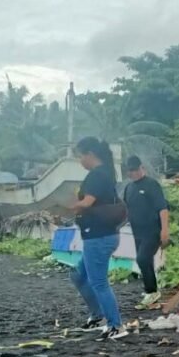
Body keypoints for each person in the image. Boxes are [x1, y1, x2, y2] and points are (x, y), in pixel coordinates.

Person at [66, 137, 128, 341]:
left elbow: (87, 202)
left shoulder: (97, 175)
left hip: (99, 236)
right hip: (100, 235)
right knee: (77, 275)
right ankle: (98, 316)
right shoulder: (106, 173)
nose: (80, 161)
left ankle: (115, 325)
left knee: (99, 282)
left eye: (80, 156)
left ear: (90, 154)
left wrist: (71, 205)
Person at [123, 155, 170, 307]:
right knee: (145, 261)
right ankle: (151, 291)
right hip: (137, 232)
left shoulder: (152, 185)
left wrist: (165, 231)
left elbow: (163, 209)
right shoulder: (129, 188)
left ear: (141, 168)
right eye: (130, 171)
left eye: (135, 170)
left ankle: (152, 292)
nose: (133, 173)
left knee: (142, 259)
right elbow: (126, 209)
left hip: (153, 230)